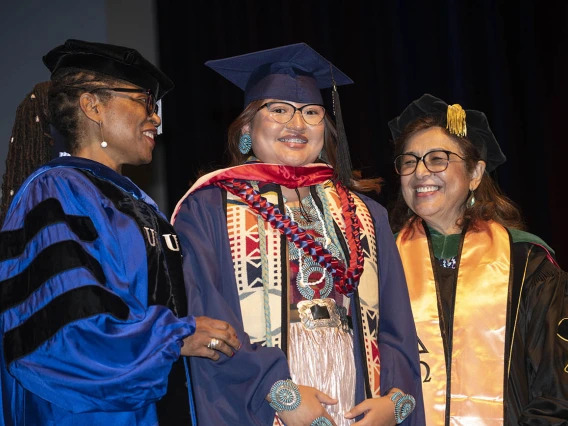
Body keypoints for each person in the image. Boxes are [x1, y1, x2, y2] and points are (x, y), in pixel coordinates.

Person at [172, 43, 424, 426]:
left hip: (357, 395)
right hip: (263, 400)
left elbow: (396, 323)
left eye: (311, 112)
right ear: (246, 128)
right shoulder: (208, 208)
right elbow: (206, 314)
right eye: (278, 110)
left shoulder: (364, 214)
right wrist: (280, 395)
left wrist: (396, 400)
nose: (297, 124)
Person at [0, 39, 241, 426]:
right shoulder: (57, 191)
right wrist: (173, 337)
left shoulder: (139, 204)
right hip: (91, 414)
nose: (156, 118)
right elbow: (64, 334)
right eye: (144, 101)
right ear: (93, 105)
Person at [388, 93, 568, 425]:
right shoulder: (380, 259)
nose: (420, 172)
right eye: (409, 161)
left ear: (475, 173)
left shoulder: (527, 262)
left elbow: (555, 388)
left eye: (437, 159)